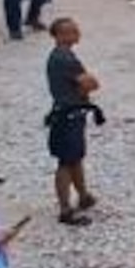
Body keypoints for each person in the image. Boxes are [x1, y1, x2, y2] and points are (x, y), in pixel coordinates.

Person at [45, 16, 100, 226]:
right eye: (71, 30)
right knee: (67, 161)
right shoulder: (66, 59)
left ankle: (83, 195)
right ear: (59, 35)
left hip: (70, 112)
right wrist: (86, 85)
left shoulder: (61, 56)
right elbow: (90, 83)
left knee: (75, 157)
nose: (77, 33)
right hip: (69, 114)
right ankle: (65, 208)